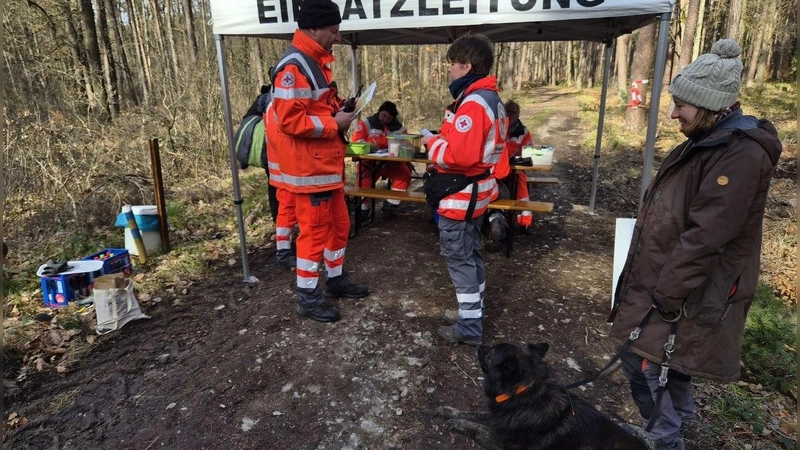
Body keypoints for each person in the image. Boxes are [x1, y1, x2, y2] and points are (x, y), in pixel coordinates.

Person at [610, 39, 782, 450]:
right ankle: (676, 424)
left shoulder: (738, 155)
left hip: (690, 291)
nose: (673, 114)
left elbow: (707, 237)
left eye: (682, 105)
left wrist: (668, 294)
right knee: (658, 363)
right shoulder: (707, 141)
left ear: (707, 105)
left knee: (649, 364)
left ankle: (666, 439)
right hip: (671, 283)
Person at [267, 0, 370, 323]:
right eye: (333, 31)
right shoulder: (294, 66)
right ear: (313, 28)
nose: (337, 38)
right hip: (309, 171)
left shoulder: (315, 62)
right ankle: (308, 297)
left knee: (340, 226)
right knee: (312, 235)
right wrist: (334, 124)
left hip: (326, 168)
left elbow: (317, 105)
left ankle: (335, 280)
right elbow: (289, 121)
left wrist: (342, 107)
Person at [423, 34, 507, 346]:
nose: (448, 71)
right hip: (476, 194)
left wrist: (432, 144)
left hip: (461, 197)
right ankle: (470, 312)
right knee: (471, 256)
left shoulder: (473, 103)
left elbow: (459, 156)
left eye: (452, 65)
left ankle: (469, 328)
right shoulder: (488, 99)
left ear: (466, 65)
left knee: (460, 260)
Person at [485, 100, 535, 252]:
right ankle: (496, 223)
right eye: (506, 112)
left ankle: (523, 222)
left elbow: (530, 151)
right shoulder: (497, 127)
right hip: (496, 170)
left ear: (518, 115)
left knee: (520, 184)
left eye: (512, 112)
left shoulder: (523, 131)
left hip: (515, 171)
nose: (509, 115)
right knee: (490, 187)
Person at [351, 101, 412, 219]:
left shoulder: (400, 128)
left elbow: (406, 145)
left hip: (392, 163)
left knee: (404, 175)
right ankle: (364, 210)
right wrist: (369, 146)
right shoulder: (366, 123)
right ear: (379, 112)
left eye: (388, 118)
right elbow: (357, 141)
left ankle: (390, 205)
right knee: (364, 180)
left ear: (393, 118)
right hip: (369, 162)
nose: (385, 119)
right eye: (383, 116)